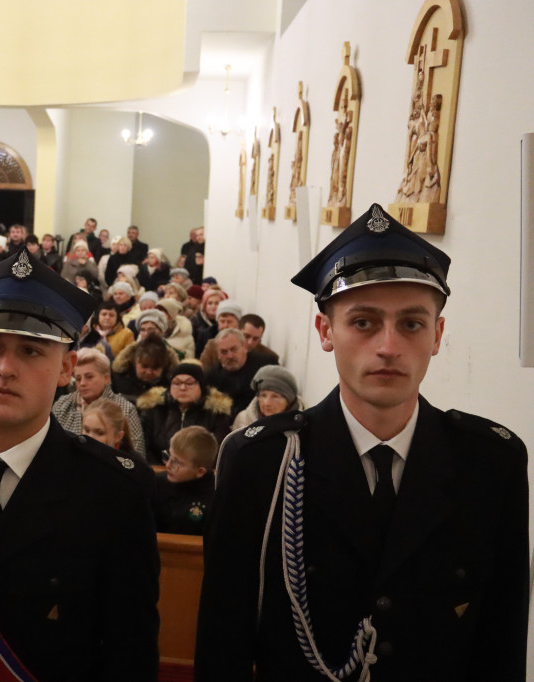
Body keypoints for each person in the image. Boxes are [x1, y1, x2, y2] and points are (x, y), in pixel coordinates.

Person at [196, 204, 529, 682]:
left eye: (412, 324)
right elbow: (224, 639)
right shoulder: (261, 461)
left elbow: (502, 635)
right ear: (326, 331)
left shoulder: (490, 461)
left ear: (437, 335)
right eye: (364, 322)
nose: (389, 346)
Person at [0, 248, 159, 681]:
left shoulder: (112, 490)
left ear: (66, 368)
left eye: (30, 351)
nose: (5, 368)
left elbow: (128, 650)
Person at [52, 347, 146, 458]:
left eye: (89, 377)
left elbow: (137, 456)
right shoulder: (62, 404)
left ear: (106, 378)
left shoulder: (125, 409)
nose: (82, 383)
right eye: (78, 378)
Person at [139, 362, 232, 464]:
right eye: (177, 383)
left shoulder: (216, 413)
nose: (182, 388)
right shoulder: (154, 410)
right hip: (159, 471)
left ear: (201, 386)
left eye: (189, 383)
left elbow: (218, 450)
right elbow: (144, 446)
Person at [153, 426, 218, 535]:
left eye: (177, 463)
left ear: (200, 471)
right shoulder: (156, 483)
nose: (168, 465)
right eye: (169, 456)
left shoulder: (215, 498)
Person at [204, 327, 278, 414]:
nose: (230, 356)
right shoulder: (211, 376)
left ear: (245, 348)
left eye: (234, 349)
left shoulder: (266, 364)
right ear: (218, 354)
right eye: (224, 352)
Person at [231, 364, 303, 430]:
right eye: (263, 395)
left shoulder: (305, 423)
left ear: (289, 400)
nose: (267, 403)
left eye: (275, 396)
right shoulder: (244, 420)